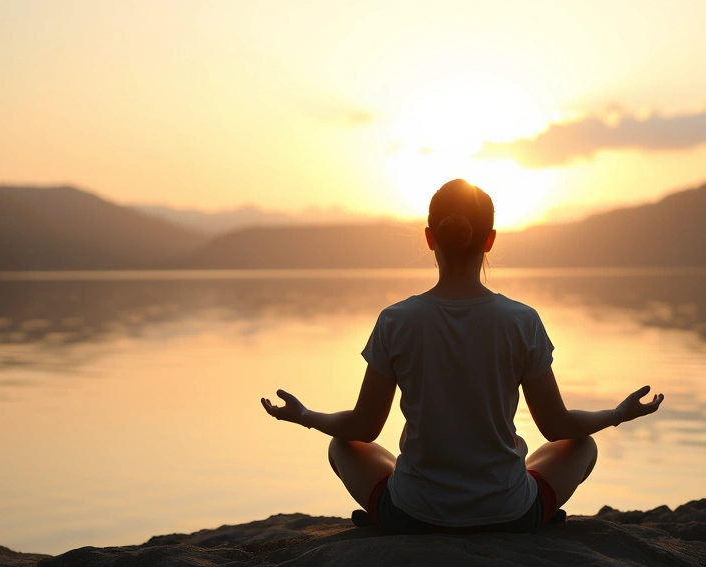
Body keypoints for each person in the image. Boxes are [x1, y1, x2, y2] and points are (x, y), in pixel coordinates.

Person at [260, 179, 664, 534]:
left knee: (341, 445)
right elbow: (557, 426)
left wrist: (306, 416)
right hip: (510, 515)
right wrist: (617, 414)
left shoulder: (396, 320)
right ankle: (521, 504)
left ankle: (387, 513)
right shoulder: (521, 321)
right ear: (490, 239)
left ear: (429, 237)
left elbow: (363, 427)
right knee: (582, 445)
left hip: (413, 516)